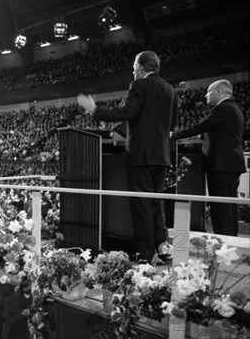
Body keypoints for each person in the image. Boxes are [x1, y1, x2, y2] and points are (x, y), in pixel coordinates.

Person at [77, 50, 177, 261]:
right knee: (156, 204)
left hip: (141, 156)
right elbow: (171, 122)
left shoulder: (140, 84)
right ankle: (163, 248)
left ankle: (146, 254)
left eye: (134, 66)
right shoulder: (170, 89)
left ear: (141, 67)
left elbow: (126, 112)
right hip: (161, 155)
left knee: (141, 206)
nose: (132, 71)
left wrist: (95, 109)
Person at [171, 79, 246, 236]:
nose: (206, 95)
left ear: (218, 91)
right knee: (228, 207)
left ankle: (223, 243)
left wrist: (173, 135)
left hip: (222, 165)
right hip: (229, 164)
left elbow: (202, 125)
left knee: (221, 207)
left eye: (209, 91)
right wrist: (199, 135)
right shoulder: (233, 108)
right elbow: (221, 131)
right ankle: (230, 241)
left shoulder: (223, 109)